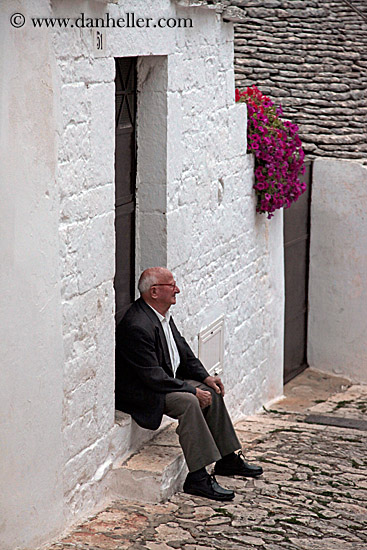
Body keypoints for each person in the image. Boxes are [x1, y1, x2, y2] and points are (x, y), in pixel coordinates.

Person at [115, 267, 263, 501]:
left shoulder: (160, 315)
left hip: (165, 382)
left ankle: (227, 458)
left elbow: (183, 351)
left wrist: (205, 378)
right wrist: (192, 390)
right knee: (189, 402)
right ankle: (198, 478)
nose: (178, 289)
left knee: (211, 392)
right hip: (145, 392)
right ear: (154, 292)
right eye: (172, 285)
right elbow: (152, 376)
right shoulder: (137, 325)